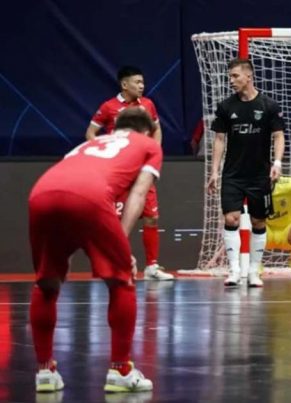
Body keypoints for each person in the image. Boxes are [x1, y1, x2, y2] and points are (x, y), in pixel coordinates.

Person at [29, 108, 160, 393]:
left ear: (115, 129)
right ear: (147, 132)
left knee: (46, 282)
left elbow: (68, 183)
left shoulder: (87, 144)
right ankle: (121, 370)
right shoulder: (149, 145)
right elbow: (138, 194)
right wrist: (122, 246)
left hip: (41, 192)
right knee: (121, 280)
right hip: (89, 195)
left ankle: (44, 372)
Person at [85, 66, 173, 281]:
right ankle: (115, 261)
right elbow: (90, 133)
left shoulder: (148, 104)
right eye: (137, 82)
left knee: (152, 218)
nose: (142, 86)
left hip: (142, 172)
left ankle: (152, 267)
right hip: (120, 173)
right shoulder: (109, 107)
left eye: (143, 82)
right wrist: (107, 154)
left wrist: (155, 152)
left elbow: (157, 129)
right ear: (124, 85)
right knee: (117, 221)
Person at [206, 58, 286, 287]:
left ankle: (253, 271)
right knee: (231, 218)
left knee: (258, 221)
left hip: (259, 174)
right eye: (229, 76)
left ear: (248, 76)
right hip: (232, 174)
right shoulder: (225, 107)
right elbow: (219, 140)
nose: (231, 81)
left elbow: (278, 135)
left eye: (235, 76)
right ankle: (233, 270)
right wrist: (214, 171)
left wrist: (277, 163)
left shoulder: (268, 105)